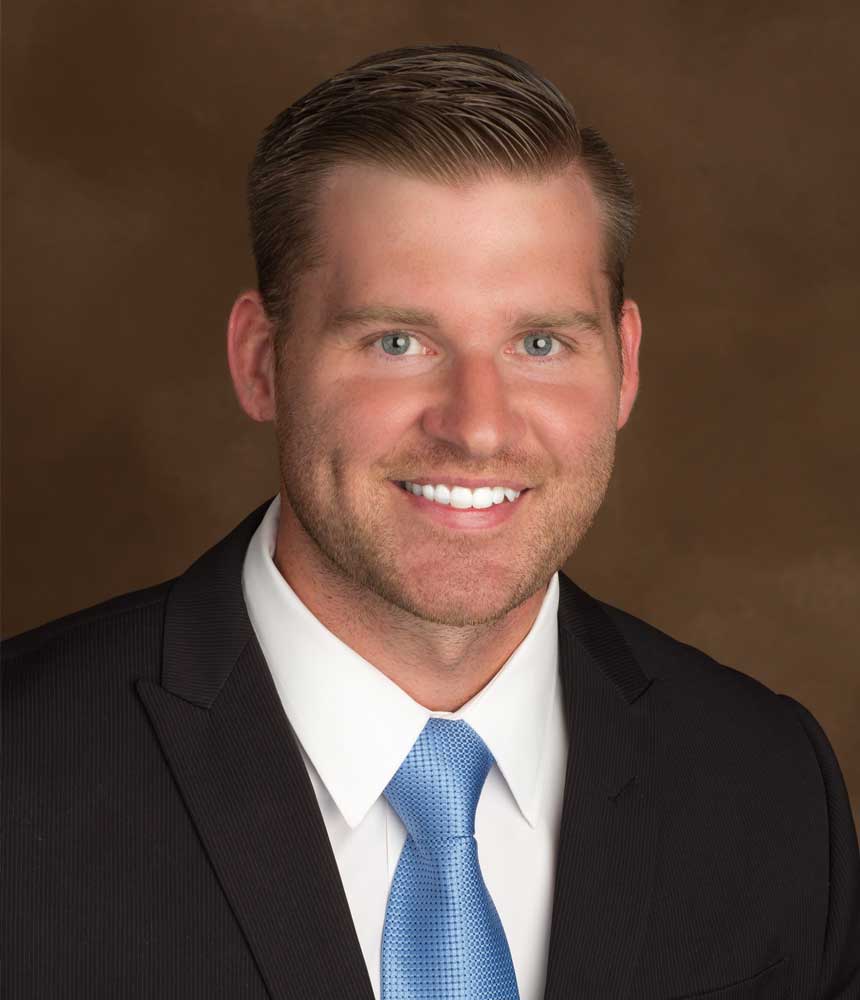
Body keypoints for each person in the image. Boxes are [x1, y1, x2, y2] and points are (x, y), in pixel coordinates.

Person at [2, 43, 858, 1000]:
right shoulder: (20, 771)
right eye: (398, 341)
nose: (477, 426)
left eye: (541, 342)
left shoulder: (769, 785)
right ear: (261, 361)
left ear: (624, 366)